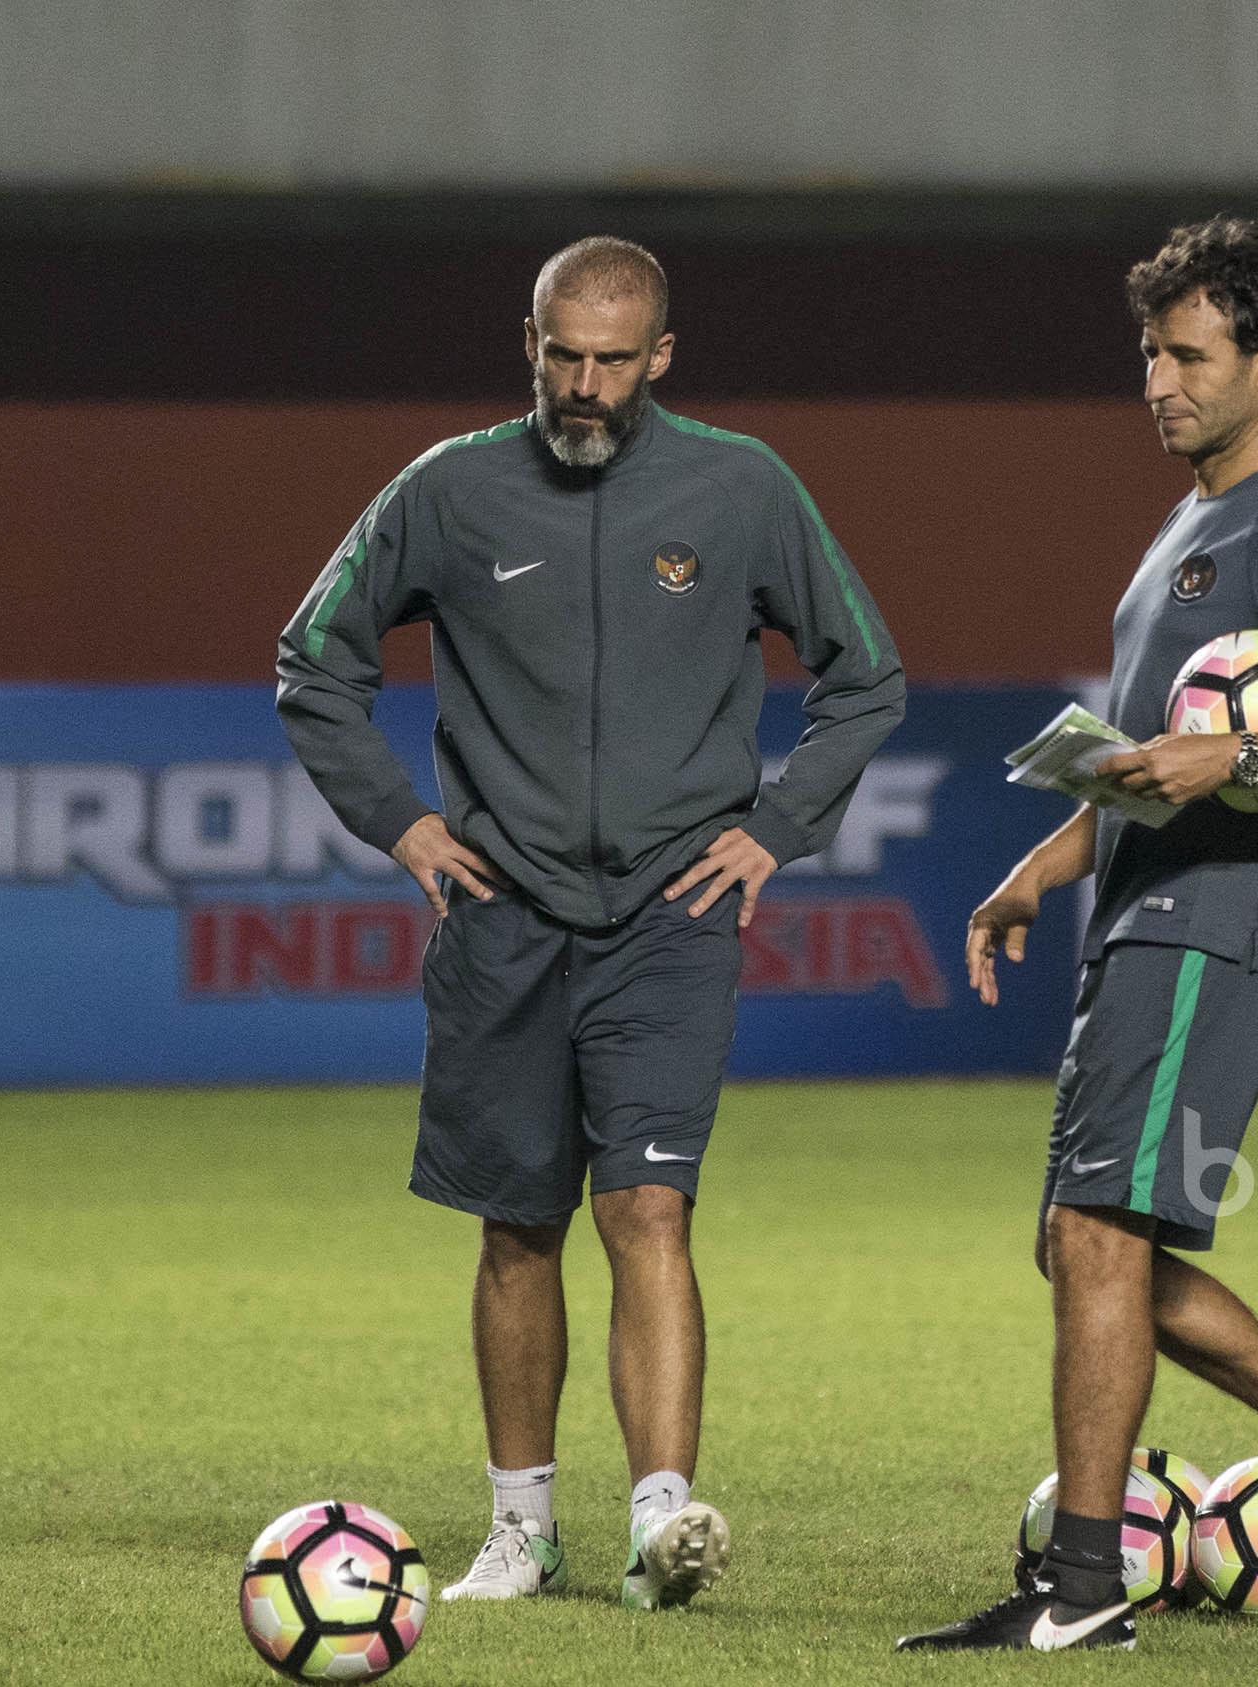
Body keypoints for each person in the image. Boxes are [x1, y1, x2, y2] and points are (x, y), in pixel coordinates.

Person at [274, 236, 905, 1612]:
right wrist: (401, 823)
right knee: (516, 1228)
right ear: (531, 342)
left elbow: (866, 677)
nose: (586, 384)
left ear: (660, 359)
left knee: (649, 1207)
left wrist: (780, 829)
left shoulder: (742, 488)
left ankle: (659, 1522)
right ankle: (523, 1530)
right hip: (501, 916)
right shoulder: (444, 491)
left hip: (674, 915)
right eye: (564, 354)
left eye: (615, 361)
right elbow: (310, 663)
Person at [898, 217, 1258, 1654]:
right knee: (1084, 1250)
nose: (1157, 378)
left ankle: (1082, 1591)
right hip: (1143, 912)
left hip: (1220, 918)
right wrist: (1043, 862)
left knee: (1095, 1239)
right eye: (1148, 350)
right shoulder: (1185, 528)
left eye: (1189, 353)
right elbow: (1154, 756)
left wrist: (1242, 767)